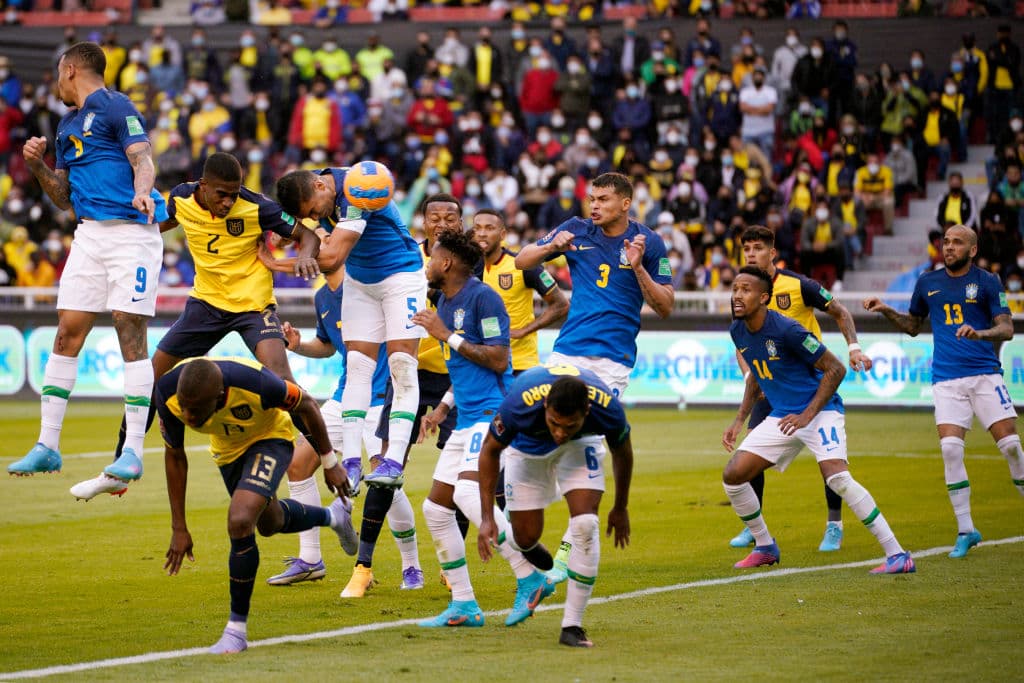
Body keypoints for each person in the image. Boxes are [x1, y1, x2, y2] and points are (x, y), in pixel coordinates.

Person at [66, 152, 320, 500]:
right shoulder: (182, 198)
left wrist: (304, 253)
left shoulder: (258, 207)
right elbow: (152, 226)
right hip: (205, 305)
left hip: (252, 305)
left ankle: (328, 456)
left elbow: (309, 236)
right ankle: (122, 464)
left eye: (235, 193)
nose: (229, 202)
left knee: (282, 380)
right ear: (203, 186)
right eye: (222, 194)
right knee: (150, 377)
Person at [8, 43, 168, 482]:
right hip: (89, 235)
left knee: (128, 330)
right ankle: (47, 444)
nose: (56, 83)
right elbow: (63, 199)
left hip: (131, 234)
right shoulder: (66, 125)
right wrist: (38, 166)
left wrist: (141, 189)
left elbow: (143, 158)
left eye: (59, 74)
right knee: (66, 332)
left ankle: (132, 451)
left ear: (71, 69)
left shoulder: (118, 107)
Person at [514, 171, 673, 583]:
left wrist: (638, 268)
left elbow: (666, 305)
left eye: (603, 199)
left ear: (625, 203)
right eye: (592, 199)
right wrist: (552, 245)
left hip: (612, 360)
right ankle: (534, 510)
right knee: (546, 434)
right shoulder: (575, 230)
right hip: (566, 351)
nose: (594, 205)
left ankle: (568, 550)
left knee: (588, 445)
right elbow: (522, 261)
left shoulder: (648, 242)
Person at [723, 266, 915, 575]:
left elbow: (836, 369)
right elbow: (756, 378)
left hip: (820, 411)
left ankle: (898, 555)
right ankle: (764, 546)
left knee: (837, 478)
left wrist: (807, 415)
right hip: (785, 416)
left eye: (745, 290)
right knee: (733, 475)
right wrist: (738, 421)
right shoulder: (737, 330)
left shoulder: (788, 330)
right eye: (734, 289)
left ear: (763, 297)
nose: (737, 295)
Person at [158, 357, 357, 653]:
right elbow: (175, 456)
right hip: (228, 453)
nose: (187, 415)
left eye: (196, 410)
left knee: (239, 520)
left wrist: (329, 461)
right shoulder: (168, 393)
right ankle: (333, 516)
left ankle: (235, 631)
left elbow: (308, 406)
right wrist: (179, 527)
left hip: (270, 439)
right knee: (270, 522)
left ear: (220, 396)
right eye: (184, 407)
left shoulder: (258, 384)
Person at [411, 229, 555, 628]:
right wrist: (441, 408)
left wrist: (445, 335)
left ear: (446, 263)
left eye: (432, 256)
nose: (427, 262)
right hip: (464, 417)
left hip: (493, 414)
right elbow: (465, 368)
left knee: (469, 495)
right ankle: (464, 604)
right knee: (436, 509)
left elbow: (496, 358)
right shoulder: (443, 298)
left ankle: (530, 576)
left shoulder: (484, 297)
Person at [864, 224, 1023, 559]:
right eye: (946, 242)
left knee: (1010, 446)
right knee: (951, 450)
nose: (948, 247)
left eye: (957, 242)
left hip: (984, 376)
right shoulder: (927, 283)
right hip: (946, 380)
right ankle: (966, 530)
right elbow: (912, 326)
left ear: (972, 249)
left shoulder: (987, 282)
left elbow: (1007, 327)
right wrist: (886, 310)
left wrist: (980, 333)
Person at [266, 263, 423, 590]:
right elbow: (328, 344)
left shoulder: (374, 279)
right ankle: (310, 559)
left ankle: (411, 566)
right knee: (297, 464)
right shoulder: (322, 295)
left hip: (381, 397)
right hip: (344, 395)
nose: (319, 246)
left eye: (326, 237)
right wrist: (299, 345)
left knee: (385, 482)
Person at [276, 164, 426, 492]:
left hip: (400, 276)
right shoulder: (312, 184)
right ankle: (352, 463)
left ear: (320, 186)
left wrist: (273, 263)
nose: (317, 218)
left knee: (402, 363)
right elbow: (292, 219)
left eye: (315, 211)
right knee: (357, 366)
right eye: (310, 216)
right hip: (361, 281)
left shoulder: (359, 186)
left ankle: (394, 460)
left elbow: (330, 259)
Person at [726, 226, 872, 551]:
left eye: (758, 248)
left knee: (829, 462)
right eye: (747, 248)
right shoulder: (743, 291)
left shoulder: (798, 285)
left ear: (772, 252)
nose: (751, 253)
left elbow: (839, 311)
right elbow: (743, 341)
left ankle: (834, 524)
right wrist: (752, 375)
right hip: (772, 385)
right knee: (750, 450)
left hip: (811, 382)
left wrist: (854, 348)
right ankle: (755, 525)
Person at [477, 366, 634, 647]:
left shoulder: (606, 407)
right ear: (545, 405)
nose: (560, 432)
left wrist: (620, 506)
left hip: (580, 447)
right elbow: (489, 451)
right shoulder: (519, 404)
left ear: (587, 411)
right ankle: (526, 546)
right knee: (525, 537)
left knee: (585, 524)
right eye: (554, 423)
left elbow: (622, 450)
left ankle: (572, 626)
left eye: (569, 425)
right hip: (526, 451)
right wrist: (487, 517)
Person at [472, 209, 568, 375]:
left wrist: (525, 330)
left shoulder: (522, 265)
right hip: (484, 364)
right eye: (477, 228)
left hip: (520, 364)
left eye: (489, 228)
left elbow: (561, 304)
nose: (482, 233)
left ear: (502, 234)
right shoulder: (470, 269)